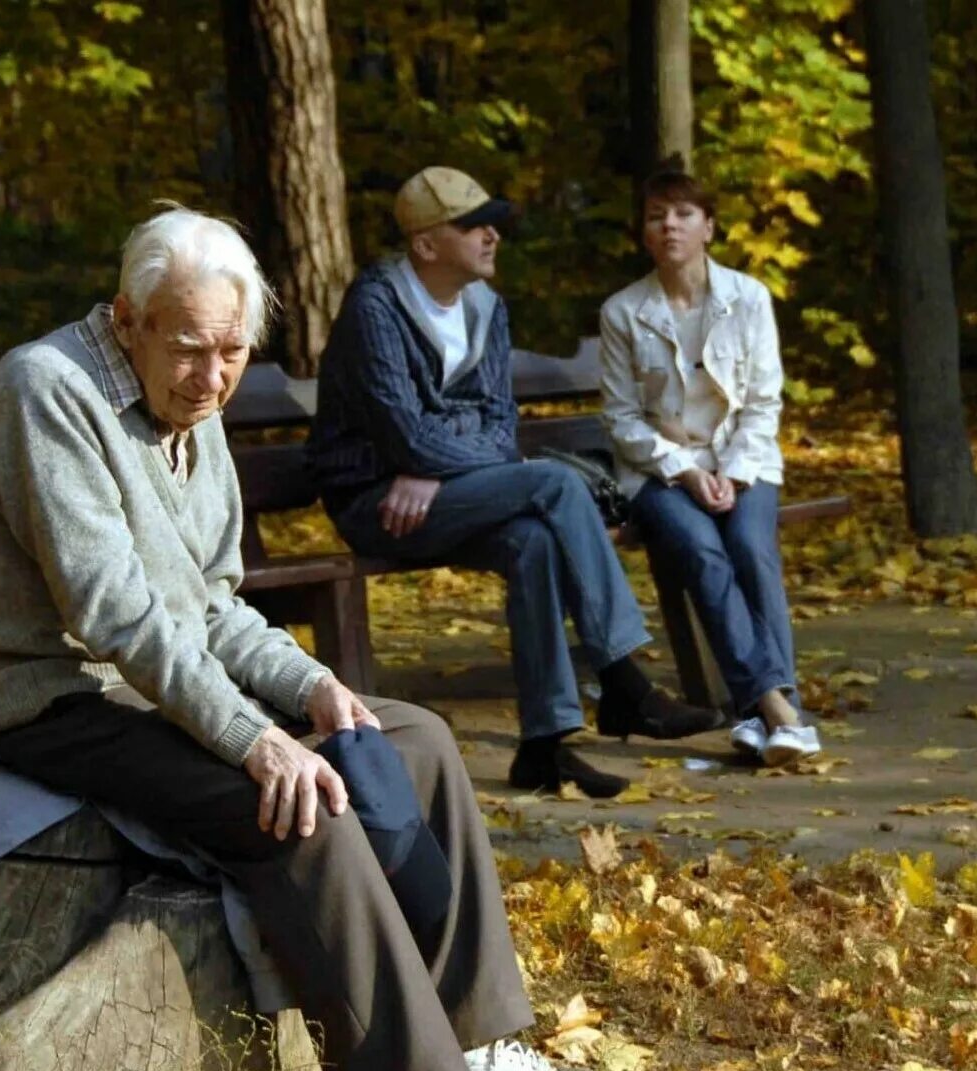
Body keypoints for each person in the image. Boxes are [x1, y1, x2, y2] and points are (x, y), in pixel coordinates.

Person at [0, 203, 609, 1071]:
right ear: (128, 319)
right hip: (62, 697)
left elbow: (213, 606)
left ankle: (475, 1037)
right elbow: (114, 613)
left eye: (232, 351)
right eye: (191, 348)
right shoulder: (48, 391)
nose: (213, 378)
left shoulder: (189, 415)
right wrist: (256, 737)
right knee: (300, 808)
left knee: (413, 741)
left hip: (157, 679)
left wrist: (307, 690)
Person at [308, 166, 719, 799]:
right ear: (425, 245)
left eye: (493, 223)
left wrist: (431, 466)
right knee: (553, 484)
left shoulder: (486, 308)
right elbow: (406, 436)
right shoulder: (377, 308)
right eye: (473, 226)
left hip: (441, 492)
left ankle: (544, 746)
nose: (492, 236)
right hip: (376, 502)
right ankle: (625, 682)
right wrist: (425, 458)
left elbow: (500, 428)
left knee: (532, 540)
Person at [598, 169, 821, 767]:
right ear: (644, 233)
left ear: (709, 228)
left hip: (743, 462)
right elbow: (622, 419)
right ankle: (782, 712)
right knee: (702, 552)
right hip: (658, 471)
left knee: (750, 546)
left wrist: (736, 473)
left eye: (682, 214)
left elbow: (764, 401)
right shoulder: (623, 311)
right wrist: (688, 472)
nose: (668, 225)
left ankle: (758, 712)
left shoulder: (748, 298)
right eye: (655, 216)